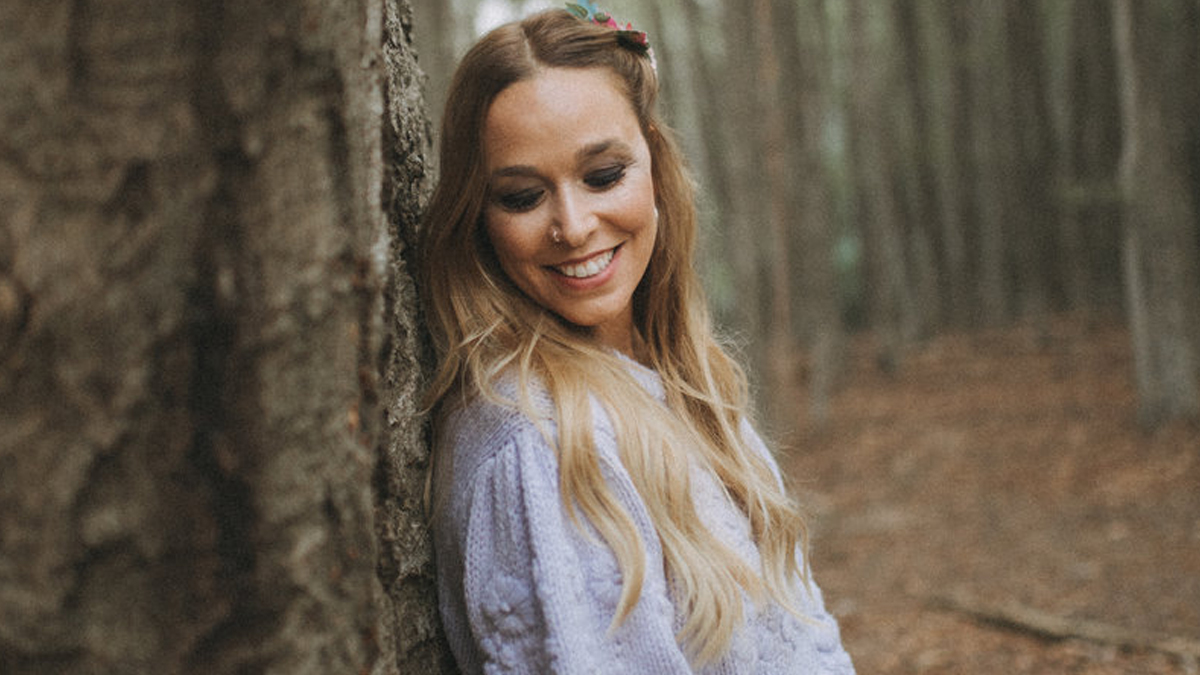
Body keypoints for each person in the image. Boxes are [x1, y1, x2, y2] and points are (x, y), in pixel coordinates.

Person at [417, 4, 855, 673]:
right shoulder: (538, 441)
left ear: (655, 159)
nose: (573, 226)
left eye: (602, 176)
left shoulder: (682, 379)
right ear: (477, 215)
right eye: (523, 196)